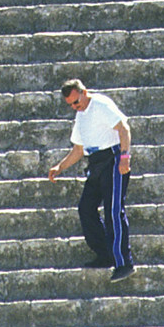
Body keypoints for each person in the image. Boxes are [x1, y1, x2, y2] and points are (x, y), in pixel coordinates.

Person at [49, 79, 134, 277]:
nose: (74, 107)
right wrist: (60, 167)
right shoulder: (80, 116)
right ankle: (105, 254)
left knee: (113, 211)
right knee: (86, 208)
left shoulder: (101, 104)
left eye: (76, 102)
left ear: (84, 92)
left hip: (113, 159)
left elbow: (124, 129)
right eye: (70, 105)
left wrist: (124, 157)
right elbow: (79, 149)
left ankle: (124, 263)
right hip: (95, 163)